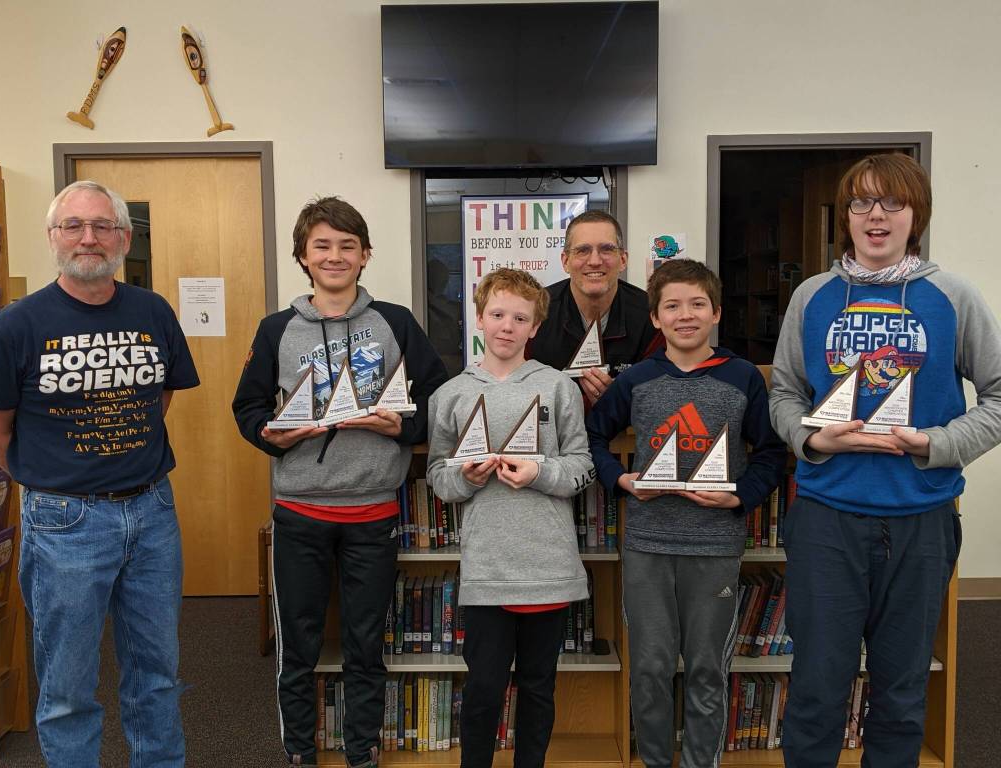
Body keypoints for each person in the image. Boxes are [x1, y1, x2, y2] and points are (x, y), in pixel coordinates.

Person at [769, 153, 1001, 768]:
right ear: (844, 217)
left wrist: (937, 443)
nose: (876, 215)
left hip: (921, 520)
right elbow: (785, 394)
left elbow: (1000, 396)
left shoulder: (952, 296)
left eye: (891, 202)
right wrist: (813, 441)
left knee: (900, 693)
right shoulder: (811, 296)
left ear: (914, 214)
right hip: (826, 519)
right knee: (818, 686)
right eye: (860, 203)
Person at [0, 180, 199, 767]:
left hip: (152, 514)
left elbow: (160, 395)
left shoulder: (152, 310)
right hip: (64, 523)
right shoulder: (14, 325)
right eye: (73, 226)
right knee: (69, 689)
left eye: (103, 226)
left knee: (158, 674)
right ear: (53, 238)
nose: (89, 238)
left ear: (124, 238)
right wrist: (55, 479)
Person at [231, 196, 447, 768]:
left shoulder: (396, 321)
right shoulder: (276, 329)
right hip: (299, 510)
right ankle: (299, 751)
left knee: (365, 642)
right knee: (298, 644)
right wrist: (269, 434)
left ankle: (361, 752)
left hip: (374, 509)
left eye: (347, 246)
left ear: (365, 254)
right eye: (322, 245)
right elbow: (248, 406)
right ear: (303, 256)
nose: (334, 256)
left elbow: (438, 399)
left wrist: (401, 425)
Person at [586, 258, 784, 768]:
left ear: (716, 312)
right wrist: (621, 479)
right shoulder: (636, 381)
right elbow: (592, 438)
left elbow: (770, 453)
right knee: (649, 669)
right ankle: (654, 761)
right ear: (656, 318)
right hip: (648, 546)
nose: (685, 315)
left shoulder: (743, 377)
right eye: (672, 305)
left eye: (698, 304)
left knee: (706, 671)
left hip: (715, 546)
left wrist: (741, 494)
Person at [425, 268, 593, 768]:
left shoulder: (559, 387)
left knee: (539, 688)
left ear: (534, 328)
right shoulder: (450, 394)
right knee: (483, 688)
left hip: (548, 565)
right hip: (487, 568)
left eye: (520, 318)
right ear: (479, 318)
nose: (507, 325)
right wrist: (468, 479)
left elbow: (582, 465)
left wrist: (540, 472)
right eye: (497, 314)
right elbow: (438, 473)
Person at [527, 209, 662, 406]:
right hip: (552, 431)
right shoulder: (535, 311)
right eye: (583, 250)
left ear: (623, 260)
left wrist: (621, 397)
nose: (595, 261)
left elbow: (660, 394)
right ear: (565, 261)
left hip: (624, 433)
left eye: (606, 249)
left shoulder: (651, 316)